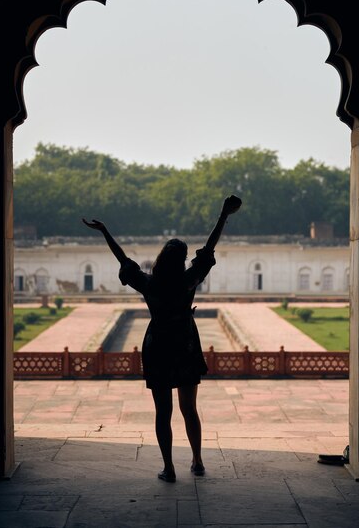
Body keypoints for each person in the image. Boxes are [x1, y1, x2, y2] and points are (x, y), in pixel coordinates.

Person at [82, 194, 242, 482]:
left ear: (161, 258)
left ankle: (169, 468)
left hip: (158, 345)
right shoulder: (187, 280)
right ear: (181, 260)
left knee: (163, 411)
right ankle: (197, 461)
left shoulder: (149, 283)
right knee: (189, 408)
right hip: (184, 343)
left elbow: (124, 260)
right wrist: (223, 214)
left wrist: (105, 231)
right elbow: (208, 250)